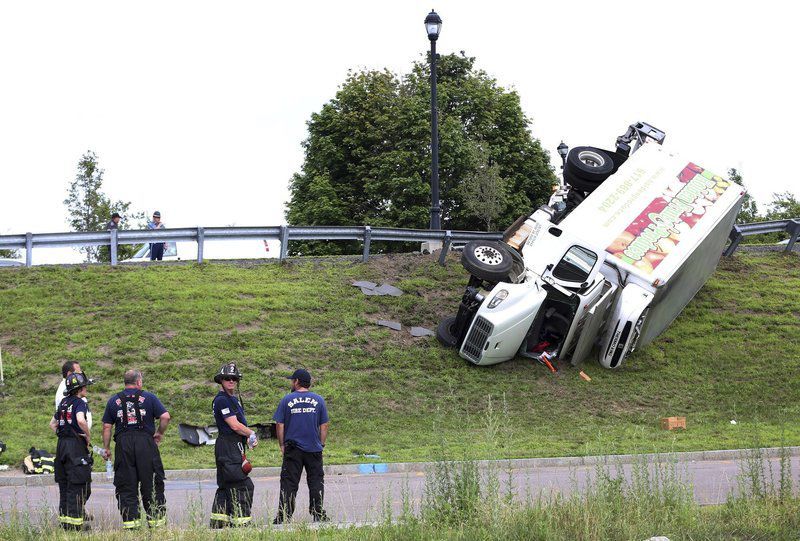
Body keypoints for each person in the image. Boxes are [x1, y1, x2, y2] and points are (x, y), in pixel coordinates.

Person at [101, 370, 170, 530]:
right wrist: (159, 433)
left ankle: (132, 527)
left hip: (123, 445)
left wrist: (106, 448)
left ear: (125, 383)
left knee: (126, 487)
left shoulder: (113, 400)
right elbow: (165, 416)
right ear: (138, 382)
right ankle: (157, 526)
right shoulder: (150, 398)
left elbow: (106, 426)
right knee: (151, 484)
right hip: (145, 444)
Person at [273, 368, 329, 524]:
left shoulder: (286, 400)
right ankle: (318, 513)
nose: (292, 383)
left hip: (293, 448)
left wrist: (282, 444)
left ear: (297, 381)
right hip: (314, 448)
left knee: (289, 482)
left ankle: (284, 516)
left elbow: (280, 424)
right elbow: (324, 425)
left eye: (293, 380)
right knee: (316, 481)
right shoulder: (319, 400)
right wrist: (321, 443)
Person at [210, 362, 258, 528]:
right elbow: (234, 425)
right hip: (228, 446)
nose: (231, 381)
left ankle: (218, 524)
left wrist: (247, 439)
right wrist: (251, 433)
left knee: (225, 486)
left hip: (233, 445)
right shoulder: (222, 400)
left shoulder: (232, 400)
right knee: (242, 485)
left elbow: (239, 427)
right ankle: (242, 524)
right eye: (227, 378)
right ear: (221, 380)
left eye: (234, 378)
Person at [49, 372, 94, 531]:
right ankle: (75, 527)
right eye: (85, 386)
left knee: (65, 484)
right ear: (79, 389)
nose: (86, 388)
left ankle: (65, 523)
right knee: (77, 485)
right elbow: (81, 420)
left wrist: (64, 433)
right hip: (75, 447)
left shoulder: (63, 403)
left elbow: (52, 424)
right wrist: (87, 436)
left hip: (61, 446)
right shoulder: (80, 402)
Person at [55, 361, 92, 429]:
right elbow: (68, 416)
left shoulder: (72, 387)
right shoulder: (65, 389)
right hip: (74, 434)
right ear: (69, 373)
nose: (81, 375)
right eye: (78, 373)